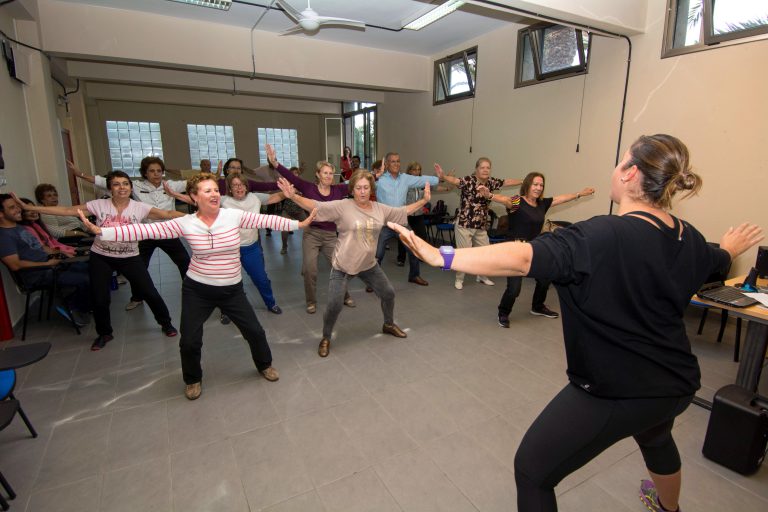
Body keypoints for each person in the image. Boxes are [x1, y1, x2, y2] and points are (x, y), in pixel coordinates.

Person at [388, 134, 763, 512]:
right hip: (677, 384)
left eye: (621, 162)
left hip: (618, 389)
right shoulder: (690, 236)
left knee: (533, 471)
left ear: (631, 173)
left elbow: (522, 258)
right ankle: (669, 508)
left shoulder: (600, 234)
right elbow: (717, 261)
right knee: (655, 438)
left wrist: (443, 257)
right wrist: (730, 248)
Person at [78, 172, 316, 400]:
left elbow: (266, 219)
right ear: (194, 197)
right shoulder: (186, 223)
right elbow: (144, 228)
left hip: (232, 289)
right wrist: (103, 231)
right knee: (190, 340)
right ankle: (192, 379)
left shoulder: (232, 215)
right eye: (206, 190)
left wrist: (299, 224)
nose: (213, 194)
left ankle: (264, 365)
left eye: (215, 189)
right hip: (198, 290)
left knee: (254, 331)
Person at [21, 171, 181, 351]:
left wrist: (197, 216)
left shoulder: (139, 207)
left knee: (149, 292)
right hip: (101, 257)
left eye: (125, 184)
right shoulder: (98, 205)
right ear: (110, 188)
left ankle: (166, 324)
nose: (122, 187)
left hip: (129, 258)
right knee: (100, 297)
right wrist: (32, 208)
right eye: (116, 184)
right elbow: (67, 210)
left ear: (130, 187)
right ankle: (104, 333)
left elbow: (167, 213)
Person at [278, 171, 430, 358]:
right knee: (334, 304)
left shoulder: (379, 209)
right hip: (343, 265)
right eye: (358, 188)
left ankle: (388, 324)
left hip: (368, 265)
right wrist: (293, 196)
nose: (363, 191)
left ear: (371, 189)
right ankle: (325, 337)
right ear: (352, 190)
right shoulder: (343, 206)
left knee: (388, 293)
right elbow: (315, 206)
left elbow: (402, 211)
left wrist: (423, 201)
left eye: (366, 187)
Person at [73, 157, 192, 312]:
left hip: (167, 232)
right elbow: (102, 181)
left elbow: (194, 182)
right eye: (151, 171)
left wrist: (214, 175)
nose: (156, 174)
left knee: (184, 262)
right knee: (140, 269)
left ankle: (193, 292)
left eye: (159, 171)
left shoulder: (171, 185)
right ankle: (137, 297)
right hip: (144, 234)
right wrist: (80, 174)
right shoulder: (135, 185)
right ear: (145, 173)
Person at [482, 172, 595, 325]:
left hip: (534, 248)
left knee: (545, 278)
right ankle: (503, 312)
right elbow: (506, 200)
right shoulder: (517, 201)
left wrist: (579, 194)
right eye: (535, 184)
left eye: (541, 185)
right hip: (515, 250)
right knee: (514, 289)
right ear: (528, 185)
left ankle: (537, 306)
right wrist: (490, 196)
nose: (538, 188)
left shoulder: (542, 204)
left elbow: (559, 199)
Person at [267, 144, 355, 314]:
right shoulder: (308, 188)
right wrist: (275, 163)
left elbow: (357, 182)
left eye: (331, 173)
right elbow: (290, 177)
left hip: (330, 235)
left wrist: (376, 175)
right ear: (318, 174)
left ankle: (345, 295)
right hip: (312, 234)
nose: (328, 176)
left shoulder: (339, 189)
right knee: (309, 270)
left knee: (339, 266)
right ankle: (311, 301)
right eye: (325, 173)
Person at [0, 194, 91, 326]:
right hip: (39, 274)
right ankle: (72, 306)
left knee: (90, 268)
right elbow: (15, 265)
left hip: (51, 266)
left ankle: (71, 301)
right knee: (86, 279)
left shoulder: (19, 228)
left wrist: (61, 253)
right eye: (12, 207)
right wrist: (47, 263)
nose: (19, 210)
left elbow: (42, 247)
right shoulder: (4, 237)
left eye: (18, 206)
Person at [434, 158, 522, 289]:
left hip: (480, 225)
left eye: (488, 167)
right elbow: (456, 181)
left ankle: (482, 276)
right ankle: (459, 279)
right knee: (464, 253)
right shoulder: (469, 180)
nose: (486, 170)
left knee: (485, 253)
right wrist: (443, 176)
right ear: (477, 169)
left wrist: (524, 181)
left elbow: (506, 182)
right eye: (482, 167)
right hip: (465, 224)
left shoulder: (491, 182)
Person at [375, 152, 439, 286]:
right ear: (386, 164)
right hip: (384, 223)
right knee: (378, 254)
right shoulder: (379, 180)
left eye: (398, 161)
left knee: (413, 249)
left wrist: (439, 177)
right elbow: (357, 181)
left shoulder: (405, 178)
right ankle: (373, 281)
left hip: (402, 222)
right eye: (393, 161)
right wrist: (375, 175)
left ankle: (414, 276)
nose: (396, 164)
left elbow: (423, 179)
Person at [396, 161, 453, 266]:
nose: (417, 172)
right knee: (404, 237)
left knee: (422, 236)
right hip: (406, 214)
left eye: (418, 170)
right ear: (409, 171)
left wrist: (447, 187)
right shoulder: (405, 182)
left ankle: (421, 256)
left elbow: (434, 187)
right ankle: (401, 258)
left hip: (418, 214)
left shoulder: (422, 182)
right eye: (414, 169)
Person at [279, 166, 308, 255]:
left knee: (308, 228)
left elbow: (306, 196)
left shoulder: (302, 184)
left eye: (296, 173)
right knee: (284, 229)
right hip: (287, 211)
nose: (294, 175)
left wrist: (299, 192)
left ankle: (311, 245)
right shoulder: (287, 184)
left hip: (299, 211)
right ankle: (284, 246)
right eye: (292, 173)